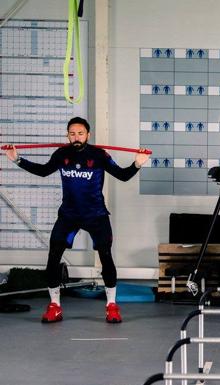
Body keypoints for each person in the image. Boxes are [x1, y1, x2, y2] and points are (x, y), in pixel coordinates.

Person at [3, 117, 149, 323]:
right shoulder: (62, 154)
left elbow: (123, 175)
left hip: (96, 215)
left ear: (88, 135)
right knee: (53, 258)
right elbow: (43, 171)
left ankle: (111, 306)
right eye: (72, 133)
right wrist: (17, 159)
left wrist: (137, 164)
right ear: (67, 135)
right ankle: (54, 306)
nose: (76, 137)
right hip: (68, 216)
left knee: (106, 257)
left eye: (80, 133)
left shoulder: (99, 155)